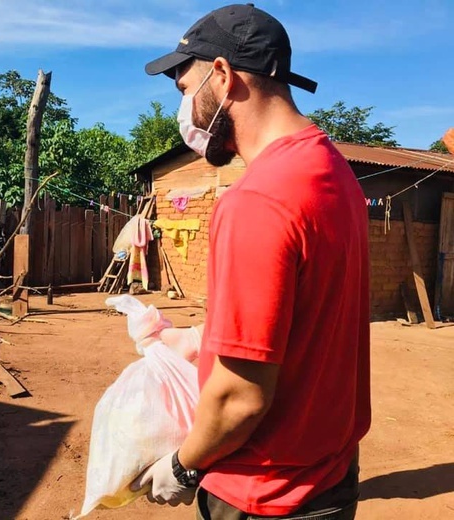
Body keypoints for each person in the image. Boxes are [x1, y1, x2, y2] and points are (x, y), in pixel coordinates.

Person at [132, 4, 371, 519]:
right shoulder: (333, 173)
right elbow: (306, 315)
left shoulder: (257, 200)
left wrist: (182, 465)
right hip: (329, 477)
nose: (186, 109)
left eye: (184, 90)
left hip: (263, 492)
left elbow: (240, 398)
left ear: (222, 74)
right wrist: (198, 339)